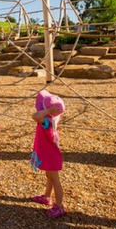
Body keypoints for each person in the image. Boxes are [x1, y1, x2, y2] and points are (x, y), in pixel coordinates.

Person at [30, 90, 66, 218]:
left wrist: (48, 110)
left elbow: (34, 116)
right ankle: (47, 196)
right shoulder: (53, 120)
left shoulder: (46, 121)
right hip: (48, 153)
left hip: (51, 155)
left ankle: (60, 206)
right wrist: (50, 111)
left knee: (55, 180)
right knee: (49, 177)